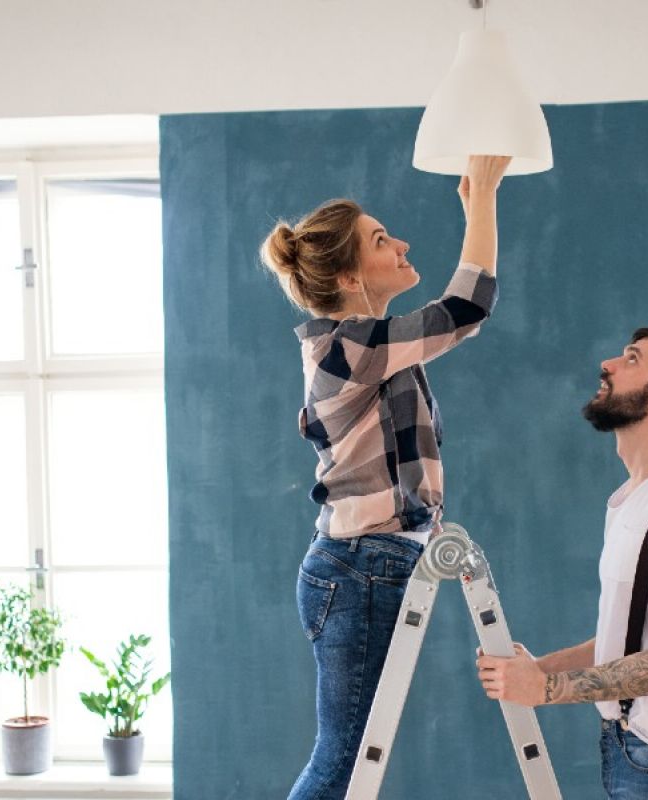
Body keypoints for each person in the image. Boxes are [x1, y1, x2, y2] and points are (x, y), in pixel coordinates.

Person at [260, 155, 512, 800]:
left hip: (366, 563)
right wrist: (480, 195)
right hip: (358, 567)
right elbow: (466, 308)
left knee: (346, 760)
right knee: (342, 762)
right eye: (381, 241)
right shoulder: (346, 349)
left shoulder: (374, 347)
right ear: (348, 277)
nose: (400, 244)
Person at [476, 326, 648, 799]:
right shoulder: (636, 495)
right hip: (635, 750)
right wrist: (539, 669)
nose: (609, 364)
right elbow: (634, 635)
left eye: (632, 359)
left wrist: (548, 688)